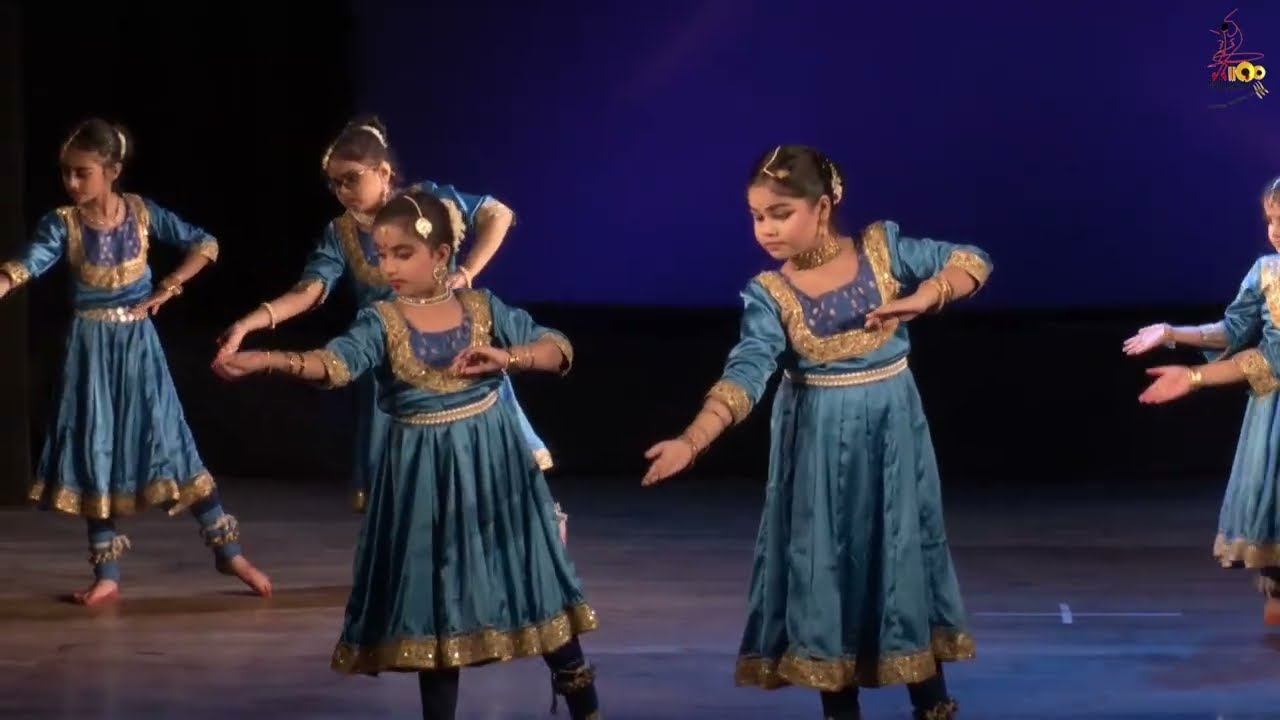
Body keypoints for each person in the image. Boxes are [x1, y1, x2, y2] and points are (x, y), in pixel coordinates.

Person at [212, 188, 600, 720]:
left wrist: (510, 357)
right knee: (436, 607)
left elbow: (558, 349)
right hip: (423, 478)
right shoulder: (381, 320)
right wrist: (268, 361)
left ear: (440, 255)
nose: (388, 267)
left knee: (532, 582)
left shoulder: (482, 308)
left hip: (495, 472)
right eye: (381, 255)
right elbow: (336, 364)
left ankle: (586, 708)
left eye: (402, 253)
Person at [641, 145, 989, 720]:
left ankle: (932, 703)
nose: (767, 229)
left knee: (900, 551)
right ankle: (839, 703)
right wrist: (692, 440)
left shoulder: (882, 251)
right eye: (757, 216)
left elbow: (971, 261)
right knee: (824, 562)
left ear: (822, 208)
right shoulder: (770, 294)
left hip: (892, 439)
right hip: (819, 451)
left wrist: (925, 297)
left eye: (781, 214)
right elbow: (746, 370)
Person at [213, 116, 568, 541]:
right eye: (334, 184)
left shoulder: (427, 204)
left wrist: (468, 271)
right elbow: (309, 291)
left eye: (350, 179)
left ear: (383, 172)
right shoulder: (341, 233)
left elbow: (498, 213)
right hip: (395, 366)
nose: (342, 191)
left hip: (457, 352)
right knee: (412, 494)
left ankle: (534, 537)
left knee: (494, 465)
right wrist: (248, 324)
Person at [0, 118, 271, 606]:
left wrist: (170, 286)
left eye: (82, 172)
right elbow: (31, 261)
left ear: (112, 171)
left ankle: (228, 551)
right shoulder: (63, 223)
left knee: (172, 441)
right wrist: (4, 281)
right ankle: (107, 572)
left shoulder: (142, 214)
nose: (71, 182)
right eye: (66, 173)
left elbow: (205, 243)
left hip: (139, 347)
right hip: (90, 350)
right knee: (96, 447)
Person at [1128, 176, 1280, 625]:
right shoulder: (1267, 272)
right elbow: (1234, 331)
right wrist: (1172, 333)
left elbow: (1273, 359)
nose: (1274, 231)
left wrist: (1195, 377)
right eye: (1271, 220)